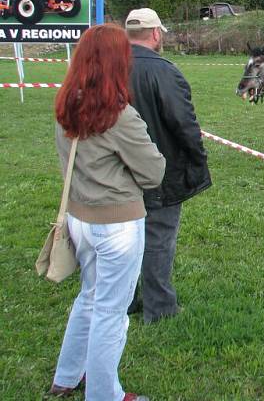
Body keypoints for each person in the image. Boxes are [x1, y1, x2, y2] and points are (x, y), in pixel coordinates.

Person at [50, 24, 165, 401]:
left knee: (90, 297)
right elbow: (153, 172)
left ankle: (67, 376)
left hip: (79, 218)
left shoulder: (67, 104)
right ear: (117, 63)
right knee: (110, 313)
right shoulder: (119, 115)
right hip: (116, 226)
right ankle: (104, 394)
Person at [125, 8, 212, 324]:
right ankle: (158, 306)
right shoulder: (164, 71)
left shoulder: (109, 67)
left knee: (126, 236)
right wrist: (198, 159)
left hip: (118, 171)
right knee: (158, 236)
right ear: (156, 34)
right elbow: (184, 123)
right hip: (160, 170)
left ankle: (127, 297)